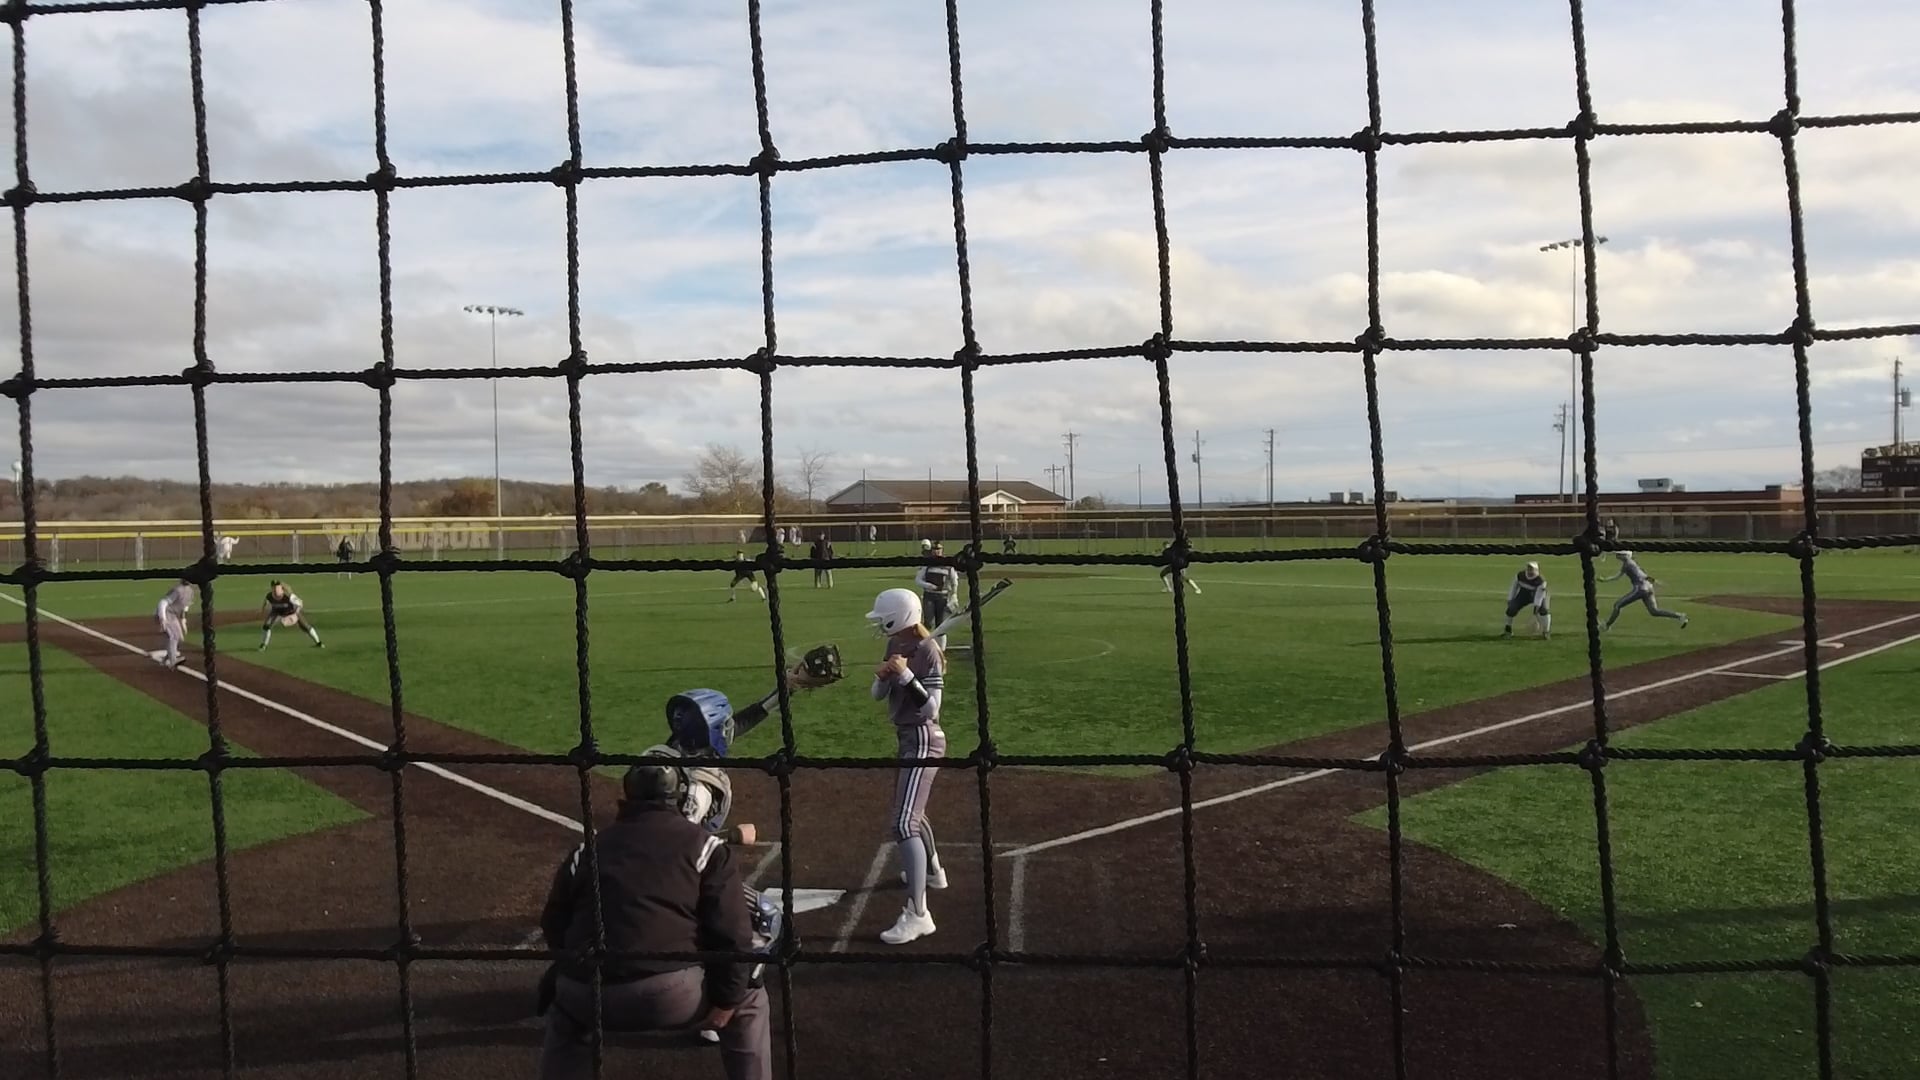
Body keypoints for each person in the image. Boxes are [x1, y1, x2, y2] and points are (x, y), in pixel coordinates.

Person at [535, 757, 772, 1080]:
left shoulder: (587, 849)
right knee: (750, 997)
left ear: (626, 795)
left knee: (565, 1018)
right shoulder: (707, 848)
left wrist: (575, 971)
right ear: (681, 795)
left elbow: (553, 923)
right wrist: (727, 1001)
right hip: (667, 997)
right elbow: (732, 934)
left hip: (585, 994)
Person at [865, 588, 948, 945]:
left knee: (904, 823)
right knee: (912, 813)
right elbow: (877, 696)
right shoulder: (895, 645)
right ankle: (932, 872)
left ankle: (918, 914)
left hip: (924, 737)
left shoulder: (928, 650)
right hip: (906, 738)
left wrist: (905, 677)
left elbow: (932, 708)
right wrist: (883, 676)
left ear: (896, 617)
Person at [1599, 550, 1688, 632]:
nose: (1617, 555)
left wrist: (1604, 580)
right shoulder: (1632, 563)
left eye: (1619, 554)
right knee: (1654, 611)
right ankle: (1679, 616)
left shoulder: (1628, 565)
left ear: (1625, 555)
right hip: (1648, 588)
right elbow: (1644, 576)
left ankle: (1607, 625)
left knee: (1617, 605)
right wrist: (1655, 582)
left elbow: (1619, 576)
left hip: (1640, 589)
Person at [914, 542, 959, 650]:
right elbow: (918, 580)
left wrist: (954, 595)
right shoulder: (927, 564)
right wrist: (928, 585)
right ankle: (925, 648)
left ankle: (942, 650)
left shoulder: (948, 565)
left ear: (942, 550)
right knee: (928, 623)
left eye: (939, 549)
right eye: (934, 549)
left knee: (941, 625)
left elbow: (954, 581)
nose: (936, 552)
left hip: (942, 597)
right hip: (929, 596)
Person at [259, 581, 323, 651]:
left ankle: (319, 643)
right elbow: (266, 601)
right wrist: (262, 609)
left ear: (281, 588)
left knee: (305, 626)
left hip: (291, 612)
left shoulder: (288, 596)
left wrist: (295, 614)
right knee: (267, 626)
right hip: (277, 612)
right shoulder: (269, 596)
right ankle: (264, 645)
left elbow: (300, 604)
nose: (276, 589)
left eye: (277, 587)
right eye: (274, 587)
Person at [1502, 562, 1550, 639]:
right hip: (1524, 594)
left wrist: (1535, 611)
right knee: (1511, 608)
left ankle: (1546, 631)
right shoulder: (1520, 576)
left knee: (1544, 610)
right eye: (1529, 568)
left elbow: (1539, 597)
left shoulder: (1541, 581)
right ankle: (1508, 630)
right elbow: (1514, 587)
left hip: (1537, 595)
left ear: (1536, 570)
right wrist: (1510, 599)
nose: (1530, 571)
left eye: (1532, 569)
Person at [154, 577, 195, 670]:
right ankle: (173, 662)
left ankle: (165, 660)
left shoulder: (190, 592)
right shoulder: (178, 590)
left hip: (173, 616)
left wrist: (183, 620)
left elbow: (185, 607)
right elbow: (163, 603)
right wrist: (163, 618)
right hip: (166, 613)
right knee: (173, 636)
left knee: (180, 639)